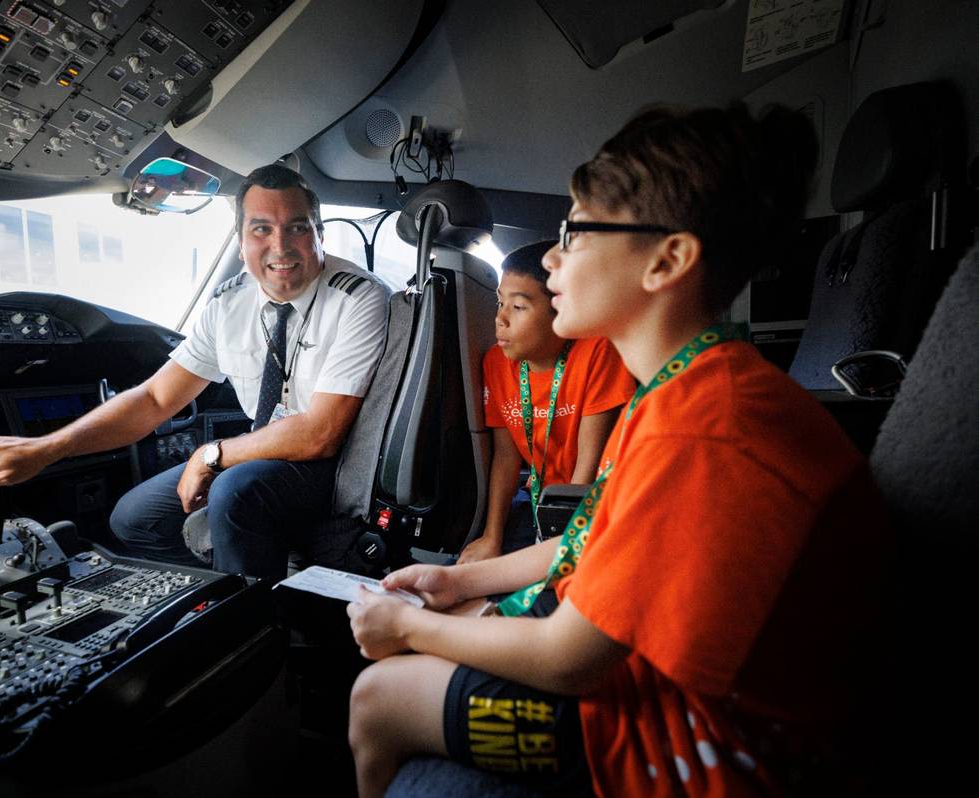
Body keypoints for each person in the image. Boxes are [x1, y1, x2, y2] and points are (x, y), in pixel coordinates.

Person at [346, 104, 891, 797]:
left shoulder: (705, 424)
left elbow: (569, 659)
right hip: (651, 671)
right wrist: (458, 582)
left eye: (574, 232)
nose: (551, 257)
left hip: (703, 742)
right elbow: (595, 537)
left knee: (376, 697)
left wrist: (403, 628)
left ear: (667, 260)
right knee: (445, 618)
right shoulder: (682, 386)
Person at [0, 164, 390, 582]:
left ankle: (253, 631)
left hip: (336, 466)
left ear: (319, 234)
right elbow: (156, 399)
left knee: (234, 489)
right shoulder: (229, 303)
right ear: (240, 240)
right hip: (264, 452)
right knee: (135, 518)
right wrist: (47, 449)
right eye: (261, 229)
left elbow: (320, 434)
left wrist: (209, 454)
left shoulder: (358, 298)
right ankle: (226, 596)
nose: (281, 246)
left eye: (297, 227)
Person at [458, 240, 634, 564]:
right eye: (499, 303)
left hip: (590, 502)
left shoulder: (597, 351)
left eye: (519, 306)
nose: (501, 319)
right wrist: (491, 536)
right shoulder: (496, 363)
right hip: (538, 497)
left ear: (562, 308)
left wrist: (566, 545)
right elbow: (506, 459)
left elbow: (589, 461)